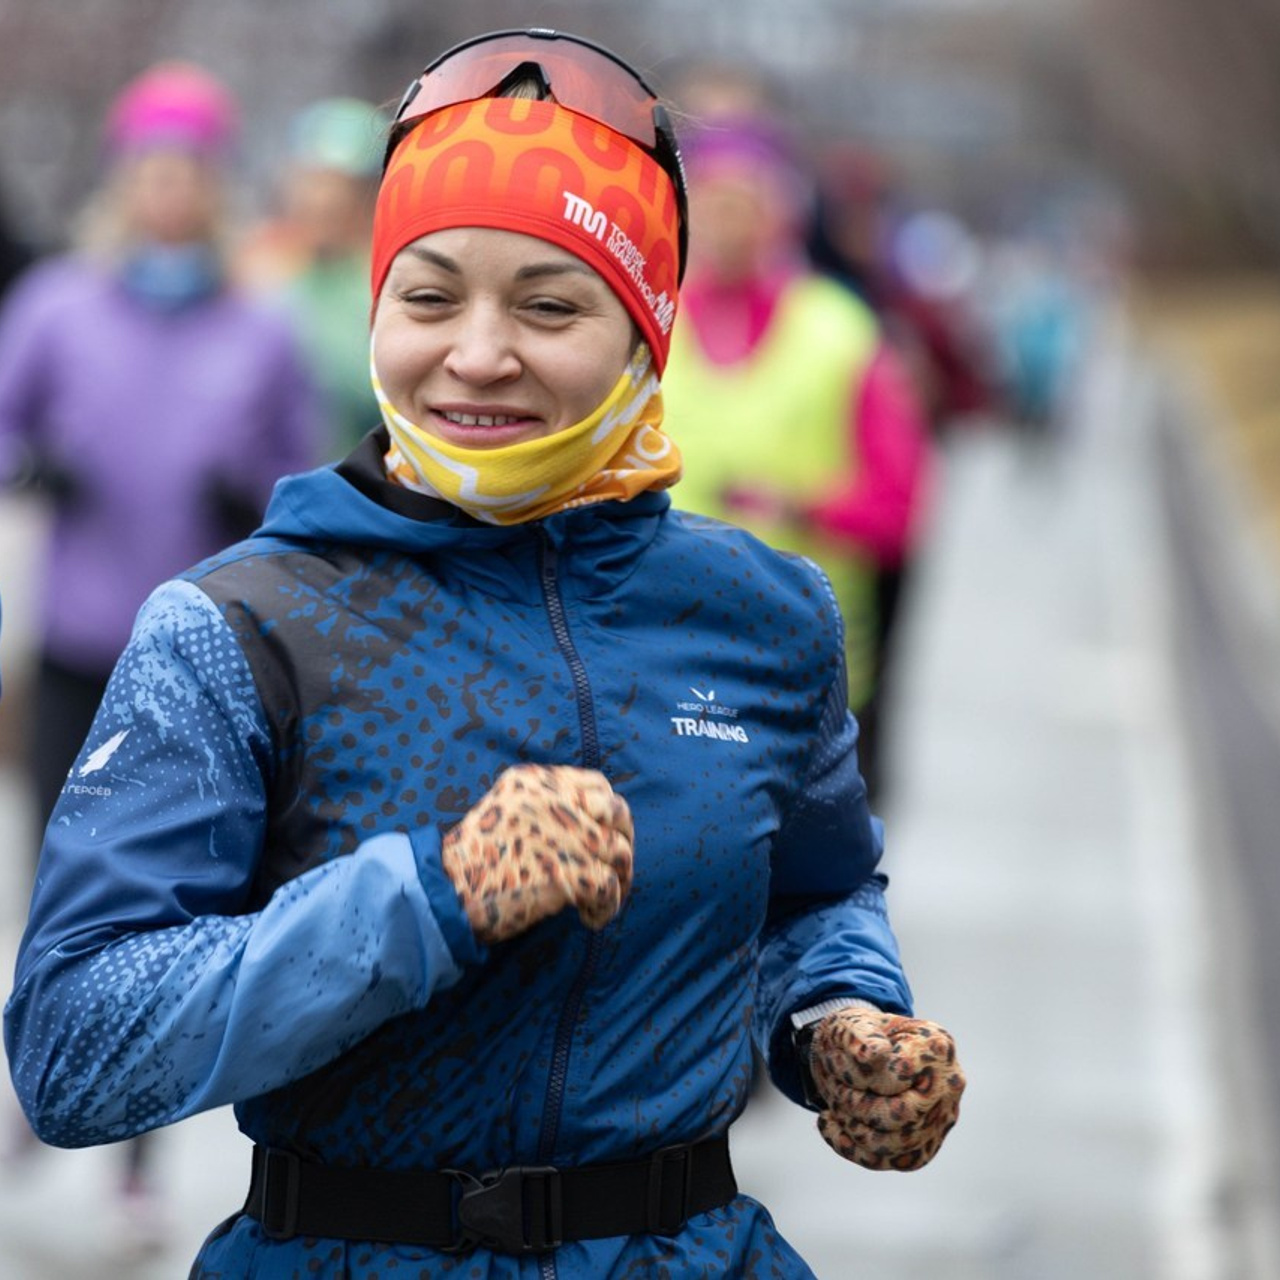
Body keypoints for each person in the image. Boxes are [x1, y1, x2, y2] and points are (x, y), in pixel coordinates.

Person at [4, 29, 965, 1278]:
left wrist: (837, 1015)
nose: (475, 353)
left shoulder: (762, 614)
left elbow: (813, 890)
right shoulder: (241, 626)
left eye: (548, 304)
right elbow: (74, 1051)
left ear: (644, 330)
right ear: (376, 308)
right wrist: (428, 896)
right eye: (429, 295)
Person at [0, 58, 318, 1245]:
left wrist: (253, 495)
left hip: (194, 662)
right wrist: (32, 466)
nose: (169, 191)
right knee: (57, 882)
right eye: (151, 170)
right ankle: (41, 1080)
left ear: (217, 185)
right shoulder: (57, 306)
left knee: (162, 902)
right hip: (77, 642)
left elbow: (303, 475)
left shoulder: (262, 322)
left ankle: (136, 1158)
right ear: (123, 182)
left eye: (189, 171)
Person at [660, 109, 934, 802]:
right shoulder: (647, 320)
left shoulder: (839, 331)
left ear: (781, 213)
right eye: (709, 202)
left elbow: (901, 510)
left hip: (806, 678)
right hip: (665, 664)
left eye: (742, 202)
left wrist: (802, 509)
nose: (725, 223)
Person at [237, 96, 388, 458]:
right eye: (312, 182)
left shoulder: (387, 283)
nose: (323, 200)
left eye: (340, 185)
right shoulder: (255, 272)